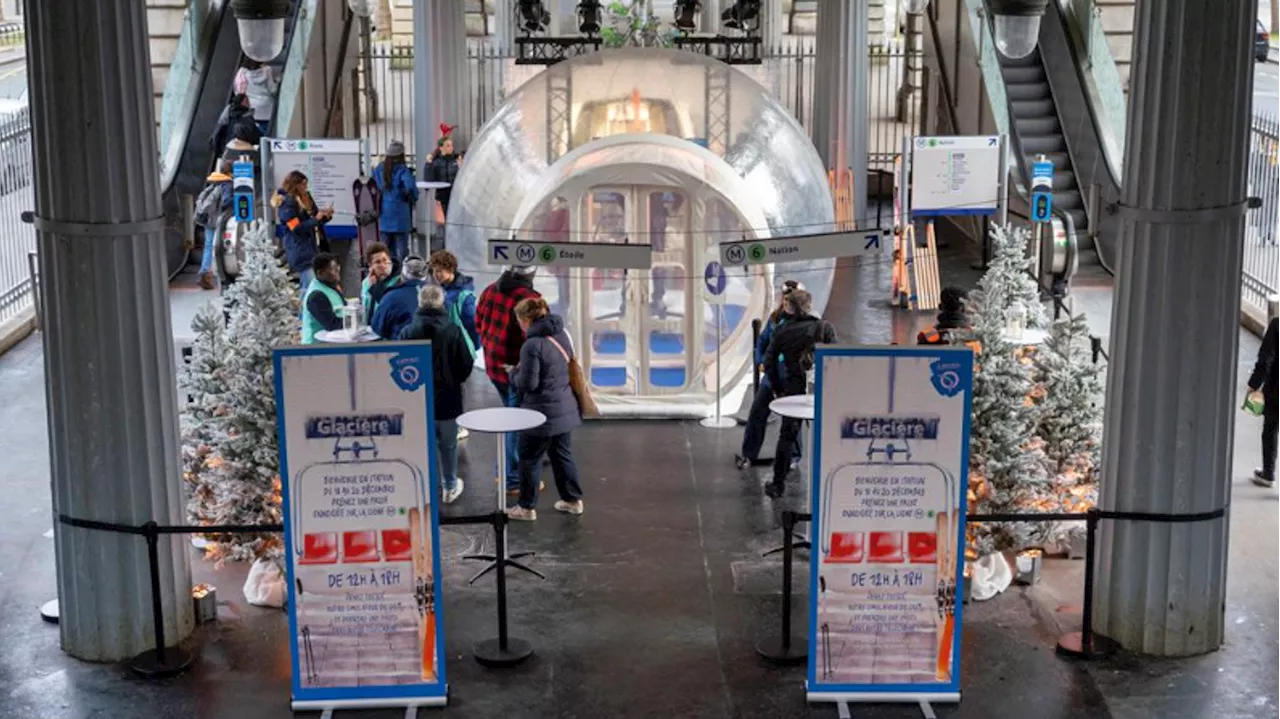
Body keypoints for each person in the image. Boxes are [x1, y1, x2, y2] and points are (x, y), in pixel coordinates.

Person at [506, 297, 584, 521]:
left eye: (519, 320)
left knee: (529, 459)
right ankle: (573, 500)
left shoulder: (531, 345)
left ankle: (526, 507)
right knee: (562, 456)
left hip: (539, 414)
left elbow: (529, 384)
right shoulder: (562, 334)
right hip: (565, 408)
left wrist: (513, 374)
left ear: (526, 319)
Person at [399, 284, 474, 504]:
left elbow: (397, 365)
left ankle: (427, 489)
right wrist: (455, 380)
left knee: (424, 445)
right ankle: (450, 486)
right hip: (449, 398)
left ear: (419, 303)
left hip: (417, 400)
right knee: (448, 445)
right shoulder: (453, 330)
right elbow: (466, 364)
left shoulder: (407, 331)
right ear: (442, 303)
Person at [762, 289, 836, 499]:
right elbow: (838, 360)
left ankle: (778, 485)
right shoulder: (825, 328)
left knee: (787, 436)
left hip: (794, 389)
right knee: (828, 436)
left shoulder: (782, 331)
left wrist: (778, 389)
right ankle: (830, 484)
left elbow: (769, 363)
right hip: (823, 391)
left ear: (790, 307)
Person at [476, 265, 541, 494]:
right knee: (516, 423)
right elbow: (536, 340)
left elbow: (478, 323)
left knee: (512, 416)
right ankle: (510, 476)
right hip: (515, 370)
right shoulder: (530, 300)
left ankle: (508, 467)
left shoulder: (489, 290)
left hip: (494, 367)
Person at [736, 280, 804, 469]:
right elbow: (763, 340)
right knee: (758, 413)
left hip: (791, 376)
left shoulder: (805, 323)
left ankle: (794, 457)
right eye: (785, 298)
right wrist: (760, 363)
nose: (786, 302)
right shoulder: (775, 319)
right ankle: (749, 454)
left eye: (790, 299)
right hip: (771, 375)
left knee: (792, 419)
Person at [273, 170, 333, 290]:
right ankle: (304, 309)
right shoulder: (287, 203)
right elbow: (295, 227)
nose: (305, 187)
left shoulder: (306, 197)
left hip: (313, 247)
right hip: (300, 249)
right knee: (308, 286)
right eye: (303, 185)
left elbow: (314, 218)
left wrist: (325, 216)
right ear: (295, 185)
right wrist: (316, 219)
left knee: (312, 286)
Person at [372, 140, 419, 264]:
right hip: (401, 216)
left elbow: (372, 187)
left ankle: (384, 273)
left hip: (384, 215)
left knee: (384, 249)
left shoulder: (379, 169)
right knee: (402, 251)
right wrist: (412, 197)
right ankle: (399, 276)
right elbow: (410, 188)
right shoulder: (403, 170)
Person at [1249, 315, 1280, 489]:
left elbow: (1265, 358)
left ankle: (1268, 473)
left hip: (1276, 390)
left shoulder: (1277, 325)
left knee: (1270, 429)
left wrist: (1254, 383)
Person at [428, 249, 480, 352]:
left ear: (451, 269)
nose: (435, 275)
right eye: (434, 271)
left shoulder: (464, 296)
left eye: (439, 271)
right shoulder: (443, 288)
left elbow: (472, 326)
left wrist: (470, 350)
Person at [194, 160, 234, 291]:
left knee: (208, 245)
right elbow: (227, 201)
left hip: (208, 219)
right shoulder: (228, 184)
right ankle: (220, 274)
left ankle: (204, 272)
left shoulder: (214, 181)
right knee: (218, 247)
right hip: (218, 219)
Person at [371, 256, 429, 340]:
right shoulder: (440, 294)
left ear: (403, 274)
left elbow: (378, 328)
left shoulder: (391, 297)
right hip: (435, 351)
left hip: (403, 350)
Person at [301, 253, 344, 345]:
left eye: (337, 267)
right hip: (315, 348)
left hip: (330, 342)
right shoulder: (316, 296)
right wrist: (355, 322)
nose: (337, 271)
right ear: (320, 273)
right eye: (333, 269)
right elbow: (332, 324)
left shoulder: (330, 285)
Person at [235, 58, 282, 136]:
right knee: (273, 130)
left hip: (253, 108)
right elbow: (273, 89)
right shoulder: (267, 70)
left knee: (262, 132)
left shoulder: (242, 73)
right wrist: (277, 80)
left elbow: (238, 91)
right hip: (268, 106)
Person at [424, 129, 462, 217]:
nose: (451, 148)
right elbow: (429, 180)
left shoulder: (456, 160)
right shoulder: (436, 162)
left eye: (451, 145)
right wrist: (428, 164)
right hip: (443, 196)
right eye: (448, 146)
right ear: (441, 148)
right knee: (447, 217)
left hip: (456, 195)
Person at [360, 242, 398, 325]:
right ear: (370, 265)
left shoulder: (398, 282)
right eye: (378, 262)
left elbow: (389, 305)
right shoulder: (366, 283)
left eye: (385, 260)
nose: (383, 265)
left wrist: (375, 286)